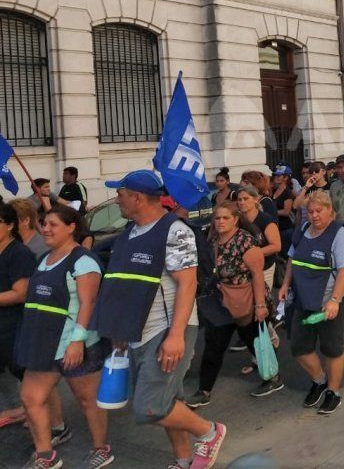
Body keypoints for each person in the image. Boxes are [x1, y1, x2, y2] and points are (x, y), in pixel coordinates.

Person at [91, 170, 226, 469]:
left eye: (121, 193)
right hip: (137, 331)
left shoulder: (175, 231)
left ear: (138, 198)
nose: (117, 199)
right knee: (168, 403)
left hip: (165, 330)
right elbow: (124, 284)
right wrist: (120, 332)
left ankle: (210, 432)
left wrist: (176, 335)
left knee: (149, 407)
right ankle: (183, 460)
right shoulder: (130, 232)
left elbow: (187, 283)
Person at [16, 206, 112, 469]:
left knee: (87, 401)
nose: (45, 229)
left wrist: (77, 342)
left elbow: (88, 303)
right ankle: (46, 456)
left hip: (73, 344)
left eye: (53, 225)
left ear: (71, 227)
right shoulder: (44, 258)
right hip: (43, 343)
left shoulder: (84, 261)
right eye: (44, 224)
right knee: (31, 397)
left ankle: (101, 448)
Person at [187, 202, 281, 408]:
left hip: (245, 300)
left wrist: (259, 306)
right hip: (221, 302)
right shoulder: (212, 239)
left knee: (255, 341)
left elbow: (257, 275)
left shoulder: (245, 241)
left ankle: (273, 378)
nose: (220, 221)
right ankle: (204, 390)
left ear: (236, 219)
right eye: (217, 218)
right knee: (213, 346)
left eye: (225, 218)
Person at [279, 192, 344, 415]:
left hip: (329, 301)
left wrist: (334, 301)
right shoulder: (303, 230)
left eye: (318, 211)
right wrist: (284, 285)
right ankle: (319, 381)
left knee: (332, 349)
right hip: (304, 298)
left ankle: (333, 391)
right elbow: (293, 259)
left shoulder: (340, 235)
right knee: (299, 348)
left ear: (330, 211)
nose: (314, 216)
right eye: (310, 211)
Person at [0, 203, 36, 433]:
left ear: (11, 225)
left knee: (25, 373)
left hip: (14, 325)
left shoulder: (19, 253)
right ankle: (18, 410)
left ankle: (49, 423)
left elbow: (21, 293)